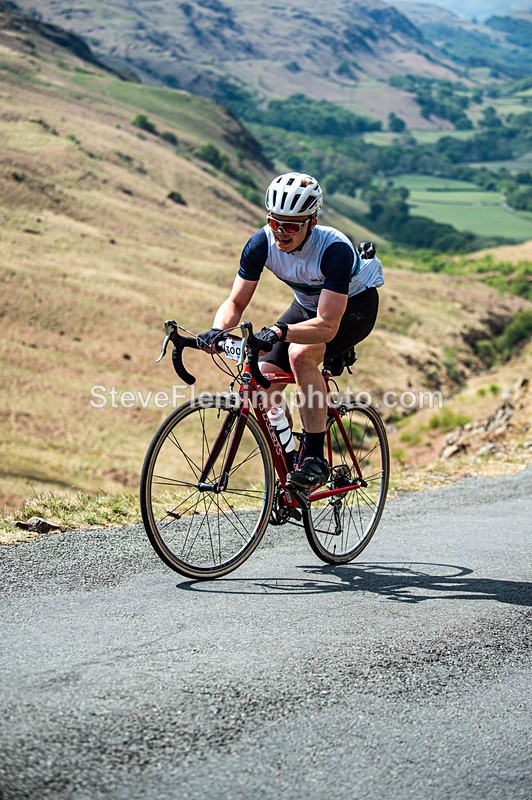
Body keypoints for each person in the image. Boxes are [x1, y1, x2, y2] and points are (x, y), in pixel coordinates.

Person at [198, 172, 384, 492]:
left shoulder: (334, 249)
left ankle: (314, 458)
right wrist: (217, 331)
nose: (281, 233)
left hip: (353, 307)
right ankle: (291, 460)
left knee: (301, 355)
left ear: (311, 223)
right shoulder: (261, 243)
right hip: (307, 305)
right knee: (263, 380)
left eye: (292, 226)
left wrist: (279, 332)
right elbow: (236, 302)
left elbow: (327, 325)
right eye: (275, 222)